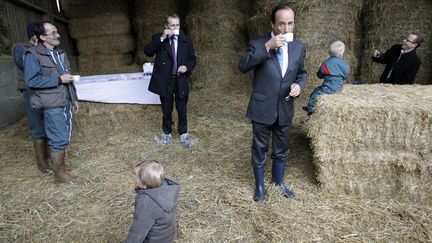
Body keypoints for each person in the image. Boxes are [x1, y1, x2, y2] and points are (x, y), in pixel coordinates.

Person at [239, 4, 308, 202]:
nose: (286, 29)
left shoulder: (299, 46)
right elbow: (243, 65)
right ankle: (260, 187)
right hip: (262, 107)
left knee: (282, 147)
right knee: (260, 148)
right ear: (272, 24)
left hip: (285, 107)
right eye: (281, 25)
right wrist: (267, 47)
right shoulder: (258, 43)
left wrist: (299, 85)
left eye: (290, 24)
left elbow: (302, 73)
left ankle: (278, 183)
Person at [24, 21, 79, 183]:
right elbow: (31, 80)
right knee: (58, 137)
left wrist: (74, 98)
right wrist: (58, 79)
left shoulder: (60, 53)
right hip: (51, 102)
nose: (58, 35)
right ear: (42, 37)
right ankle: (60, 174)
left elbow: (68, 79)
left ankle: (60, 166)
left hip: (65, 100)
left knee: (64, 134)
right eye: (53, 33)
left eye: (57, 32)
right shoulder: (33, 54)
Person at [144, 14, 197, 148]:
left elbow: (192, 59)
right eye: (172, 25)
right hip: (165, 81)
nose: (175, 28)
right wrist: (162, 38)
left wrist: (186, 67)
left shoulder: (186, 40)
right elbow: (148, 51)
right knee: (166, 109)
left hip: (180, 80)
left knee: (182, 108)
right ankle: (166, 133)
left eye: (177, 25)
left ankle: (183, 134)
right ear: (166, 26)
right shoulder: (159, 39)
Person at [13, 22, 50, 172]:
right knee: (36, 123)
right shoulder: (20, 48)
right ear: (35, 35)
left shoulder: (45, 48)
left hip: (46, 90)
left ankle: (49, 155)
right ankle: (41, 161)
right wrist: (36, 48)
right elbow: (26, 65)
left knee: (48, 120)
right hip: (30, 90)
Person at [125, 160, 180, 243]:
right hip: (167, 235)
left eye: (136, 177)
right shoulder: (166, 189)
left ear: (144, 184)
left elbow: (138, 231)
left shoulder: (146, 202)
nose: (134, 180)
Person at [303, 40, 350, 116]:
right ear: (342, 53)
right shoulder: (346, 65)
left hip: (327, 88)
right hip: (339, 88)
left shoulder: (325, 63)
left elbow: (319, 75)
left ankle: (310, 109)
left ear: (329, 52)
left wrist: (321, 70)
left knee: (315, 93)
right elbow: (346, 77)